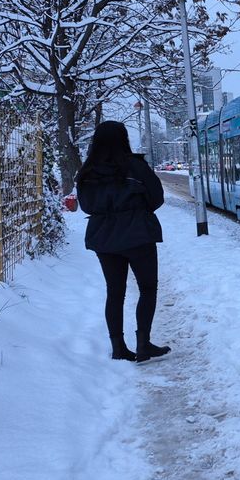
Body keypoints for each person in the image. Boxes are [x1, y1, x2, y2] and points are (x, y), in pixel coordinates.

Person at [76, 121, 171, 363]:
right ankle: (143, 343)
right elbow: (157, 198)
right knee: (147, 288)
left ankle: (118, 347)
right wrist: (136, 210)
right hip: (138, 234)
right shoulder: (135, 166)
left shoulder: (87, 172)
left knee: (114, 292)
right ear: (123, 139)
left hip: (104, 238)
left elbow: (85, 206)